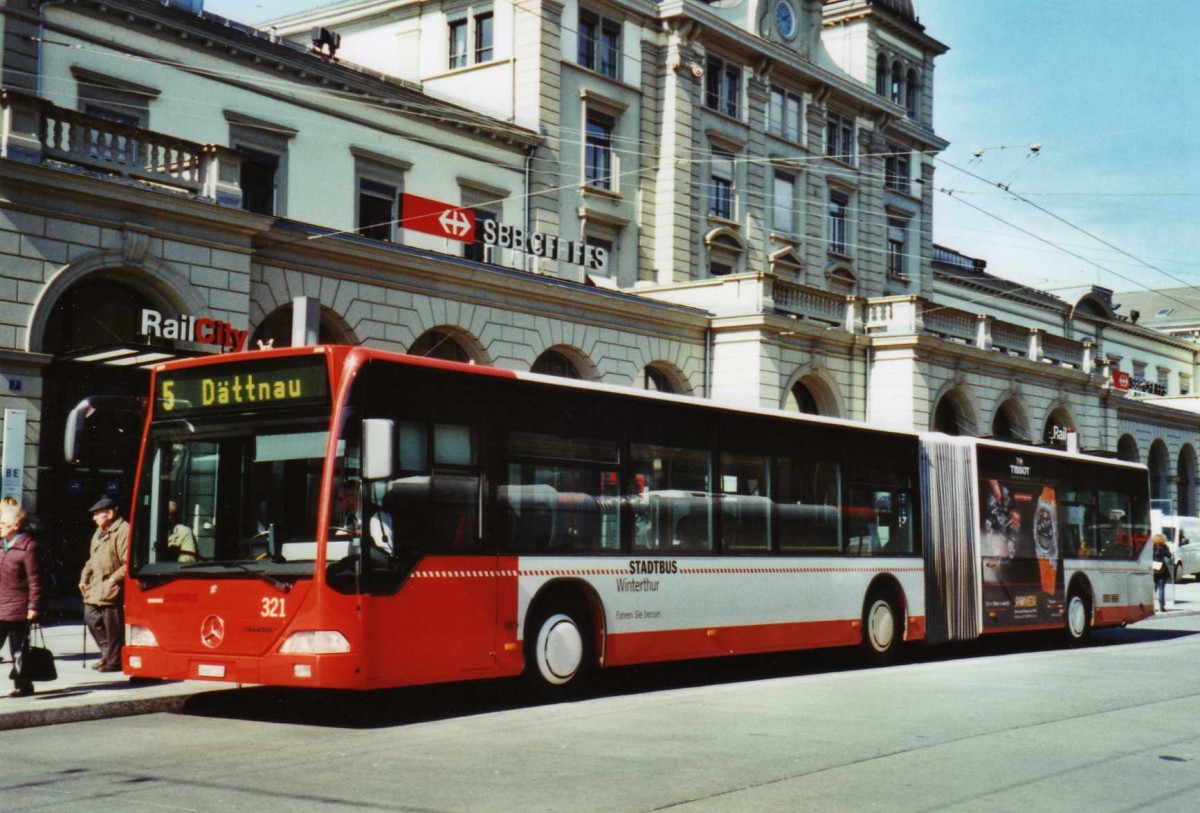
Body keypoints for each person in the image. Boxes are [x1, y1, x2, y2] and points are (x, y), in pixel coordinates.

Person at [78, 497, 129, 673]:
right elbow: (92, 560)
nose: (94, 518)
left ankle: (114, 661)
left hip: (111, 584)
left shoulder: (123, 531)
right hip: (96, 584)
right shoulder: (99, 532)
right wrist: (84, 578)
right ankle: (107, 651)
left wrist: (113, 579)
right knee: (90, 616)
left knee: (113, 625)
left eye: (97, 514)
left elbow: (127, 563)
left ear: (109, 513)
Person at [0, 502, 44, 697]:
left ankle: (23, 685)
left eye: (3, 523)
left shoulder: (28, 547)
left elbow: (36, 580)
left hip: (17, 608)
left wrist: (34, 605)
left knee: (18, 650)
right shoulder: (1, 546)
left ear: (16, 525)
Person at [1152, 533, 1172, 612]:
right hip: (1162, 570)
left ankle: (1152, 606)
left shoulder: (1151, 547)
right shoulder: (1164, 547)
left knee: (1154, 589)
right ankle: (1162, 606)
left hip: (1153, 569)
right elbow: (1169, 555)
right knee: (1161, 589)